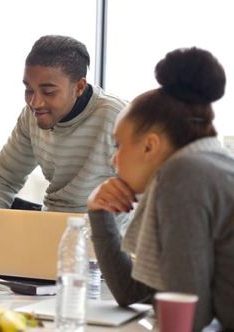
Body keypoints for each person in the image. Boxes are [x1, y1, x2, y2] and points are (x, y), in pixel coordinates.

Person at [0, 35, 128, 276]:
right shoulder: (32, 117)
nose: (35, 101)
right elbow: (3, 179)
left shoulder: (117, 118)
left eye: (48, 92)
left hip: (92, 241)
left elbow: (140, 199)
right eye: (28, 89)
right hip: (48, 226)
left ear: (79, 87)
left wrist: (94, 249)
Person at [87, 47, 234, 330]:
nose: (113, 159)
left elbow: (188, 315)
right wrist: (98, 212)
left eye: (118, 145)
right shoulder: (210, 164)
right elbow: (135, 292)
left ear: (150, 146)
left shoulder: (184, 174)